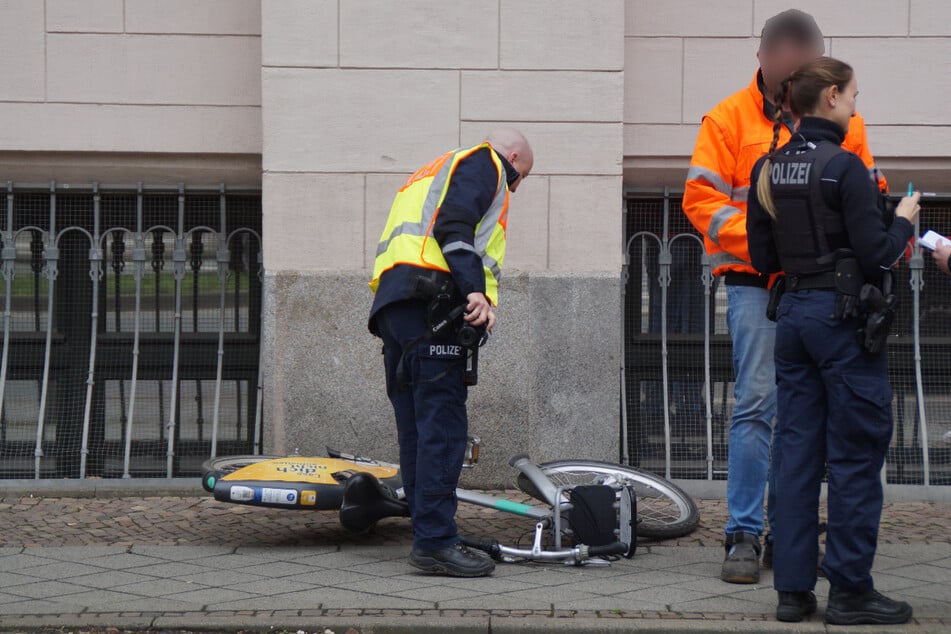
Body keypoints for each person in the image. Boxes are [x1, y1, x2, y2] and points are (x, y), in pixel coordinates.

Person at [682, 9, 888, 584]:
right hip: (757, 282)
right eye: (795, 75)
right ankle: (744, 533)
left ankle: (787, 536)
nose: (805, 87)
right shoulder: (727, 119)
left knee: (801, 418)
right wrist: (763, 240)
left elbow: (867, 191)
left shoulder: (844, 117)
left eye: (813, 75)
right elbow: (700, 199)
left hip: (815, 290)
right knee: (755, 406)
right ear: (765, 60)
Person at [747, 56, 919, 624]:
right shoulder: (846, 169)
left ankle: (792, 593)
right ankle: (850, 590)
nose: (854, 106)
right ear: (829, 100)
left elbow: (763, 257)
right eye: (852, 97)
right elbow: (880, 252)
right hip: (843, 322)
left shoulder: (767, 169)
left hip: (793, 315)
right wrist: (905, 218)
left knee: (795, 455)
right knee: (854, 454)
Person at [368, 128, 533, 577]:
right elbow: (454, 226)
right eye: (519, 179)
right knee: (441, 428)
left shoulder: (434, 168)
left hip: (398, 307)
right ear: (513, 158)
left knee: (418, 433)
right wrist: (475, 292)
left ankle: (432, 534)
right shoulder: (486, 163)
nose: (513, 189)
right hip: (432, 306)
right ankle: (436, 543)